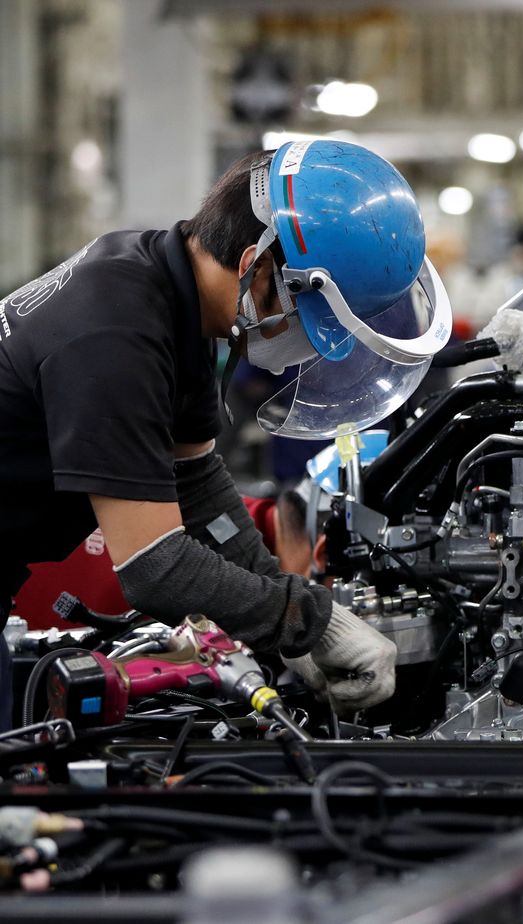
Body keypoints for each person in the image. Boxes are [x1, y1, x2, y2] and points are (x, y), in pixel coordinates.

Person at [0, 139, 452, 728]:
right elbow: (155, 568)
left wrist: (294, 631)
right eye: (311, 318)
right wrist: (312, 621)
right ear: (255, 266)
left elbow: (201, 492)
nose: (311, 344)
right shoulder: (117, 335)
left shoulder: (168, 294)